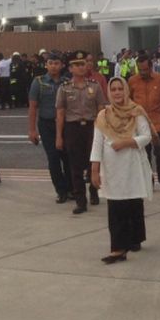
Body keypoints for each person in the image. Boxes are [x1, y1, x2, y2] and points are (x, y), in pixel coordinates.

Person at [90, 78, 154, 264]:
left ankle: (134, 239)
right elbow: (97, 143)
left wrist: (126, 142)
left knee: (132, 204)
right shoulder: (103, 115)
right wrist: (95, 169)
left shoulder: (136, 112)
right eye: (114, 89)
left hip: (132, 166)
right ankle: (118, 249)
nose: (117, 92)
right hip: (112, 169)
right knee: (116, 208)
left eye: (120, 89)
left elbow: (146, 136)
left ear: (126, 91)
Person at [56, 50, 108, 214]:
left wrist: (102, 131)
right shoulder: (64, 88)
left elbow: (101, 108)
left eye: (83, 64)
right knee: (75, 166)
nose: (80, 67)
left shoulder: (94, 86)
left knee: (94, 161)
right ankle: (80, 200)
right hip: (73, 128)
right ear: (70, 68)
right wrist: (59, 135)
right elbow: (60, 112)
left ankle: (94, 191)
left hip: (92, 127)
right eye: (76, 65)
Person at [29, 53, 71, 202]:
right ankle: (61, 191)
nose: (53, 66)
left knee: (68, 158)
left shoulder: (67, 82)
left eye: (57, 63)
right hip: (46, 125)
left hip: (66, 125)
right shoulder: (38, 82)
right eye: (51, 63)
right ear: (46, 65)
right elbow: (33, 107)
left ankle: (70, 188)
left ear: (62, 65)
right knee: (53, 158)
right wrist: (32, 130)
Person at [128, 54, 160, 190]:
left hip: (158, 123)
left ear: (151, 67)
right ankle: (148, 182)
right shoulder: (132, 81)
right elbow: (129, 99)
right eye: (140, 70)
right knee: (144, 154)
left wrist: (159, 111)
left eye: (145, 69)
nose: (143, 73)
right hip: (140, 124)